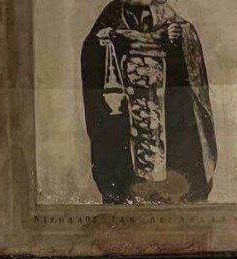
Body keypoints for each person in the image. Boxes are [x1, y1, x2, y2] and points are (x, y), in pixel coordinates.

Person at [81, 0, 216, 204]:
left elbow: (186, 49)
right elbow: (96, 46)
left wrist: (180, 37)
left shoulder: (165, 13)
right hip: (126, 116)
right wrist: (142, 38)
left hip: (165, 115)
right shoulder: (114, 12)